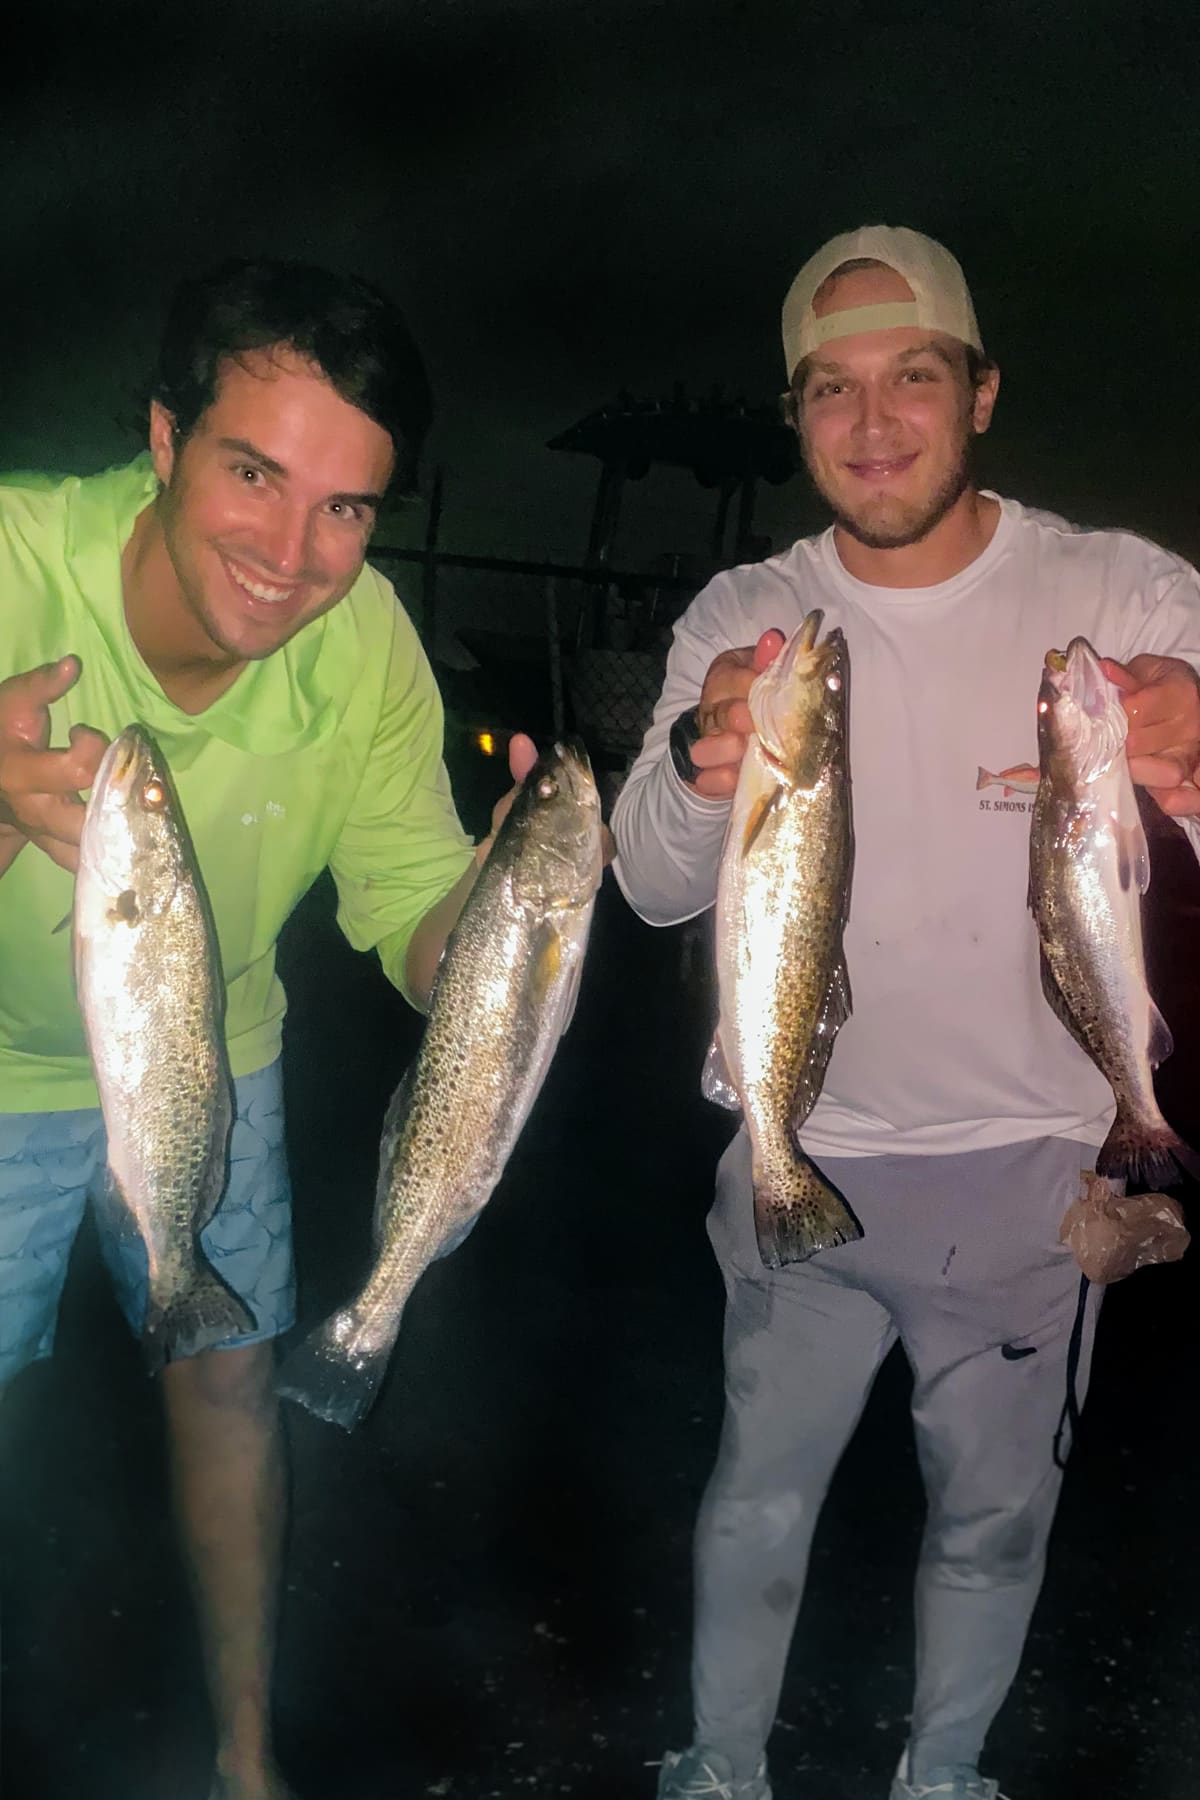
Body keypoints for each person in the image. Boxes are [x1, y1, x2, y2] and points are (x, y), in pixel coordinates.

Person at [611, 225, 1200, 1800]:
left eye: (913, 378)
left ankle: (943, 1776)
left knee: (997, 1520)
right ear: (797, 413)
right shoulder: (750, 612)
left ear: (984, 392)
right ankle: (717, 1769)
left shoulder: (1121, 587)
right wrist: (691, 770)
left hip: (1027, 1173)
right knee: (752, 1501)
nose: (872, 424)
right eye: (830, 389)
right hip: (801, 1150)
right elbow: (651, 884)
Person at [0, 258, 534, 1800]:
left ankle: (244, 1760)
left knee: (231, 1379)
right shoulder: (19, 552)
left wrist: (513, 913)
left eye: (348, 509)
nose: (294, 555)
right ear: (165, 439)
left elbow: (419, 928)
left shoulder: (363, 642)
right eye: (254, 472)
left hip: (213, 1062)